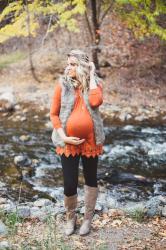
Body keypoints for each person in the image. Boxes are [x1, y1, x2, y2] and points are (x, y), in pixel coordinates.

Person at [50, 49, 105, 236]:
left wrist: (91, 74)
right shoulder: (62, 85)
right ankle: (70, 218)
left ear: (82, 66)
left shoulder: (94, 85)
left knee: (90, 179)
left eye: (73, 64)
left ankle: (87, 220)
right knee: (69, 184)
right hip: (68, 143)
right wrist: (63, 136)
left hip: (91, 142)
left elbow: (96, 101)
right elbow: (54, 114)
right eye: (68, 63)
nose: (68, 67)